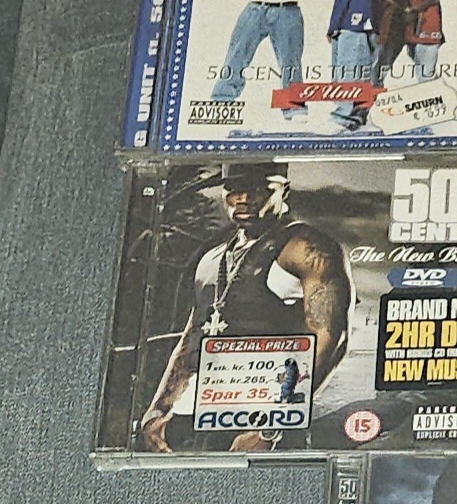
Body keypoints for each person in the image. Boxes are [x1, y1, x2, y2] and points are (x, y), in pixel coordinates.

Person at [138, 163, 351, 453]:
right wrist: (158, 409)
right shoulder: (212, 259)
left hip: (266, 418)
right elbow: (191, 340)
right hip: (201, 417)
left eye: (258, 189)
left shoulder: (305, 247)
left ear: (284, 191)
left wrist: (271, 426)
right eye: (233, 189)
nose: (244, 198)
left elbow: (332, 337)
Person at [325, 0, 394, 131]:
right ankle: (357, 119)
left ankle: (343, 118)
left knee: (354, 73)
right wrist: (333, 24)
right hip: (343, 21)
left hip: (362, 20)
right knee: (346, 74)